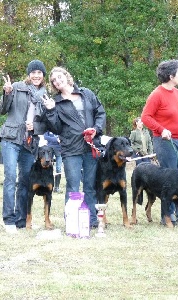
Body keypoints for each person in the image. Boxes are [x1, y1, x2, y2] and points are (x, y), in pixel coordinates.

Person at [43, 66, 106, 228]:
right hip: (71, 149)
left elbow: (100, 113)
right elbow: (56, 128)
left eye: (59, 77)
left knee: (90, 185)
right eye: (54, 80)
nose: (57, 81)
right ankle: (72, 221)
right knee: (73, 186)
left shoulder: (86, 93)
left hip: (91, 146)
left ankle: (91, 220)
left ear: (66, 76)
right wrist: (50, 111)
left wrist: (96, 130)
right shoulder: (55, 102)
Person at [141, 59, 178, 225]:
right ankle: (168, 216)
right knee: (170, 178)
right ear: (171, 75)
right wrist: (161, 129)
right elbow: (146, 117)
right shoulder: (157, 94)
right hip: (165, 142)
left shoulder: (177, 93)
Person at [0, 59, 49, 233]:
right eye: (33, 72)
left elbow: (46, 122)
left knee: (25, 180)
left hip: (29, 142)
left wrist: (36, 127)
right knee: (11, 177)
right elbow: (2, 110)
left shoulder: (45, 94)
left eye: (39, 73)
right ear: (29, 74)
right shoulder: (17, 87)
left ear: (43, 75)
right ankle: (8, 219)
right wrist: (6, 93)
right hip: (11, 138)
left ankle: (21, 219)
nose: (36, 75)